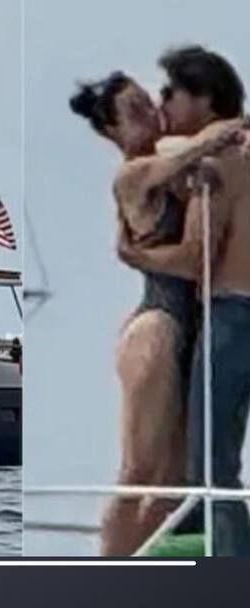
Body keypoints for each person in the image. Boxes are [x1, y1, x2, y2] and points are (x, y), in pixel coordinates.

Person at [70, 70, 246, 555]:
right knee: (139, 470)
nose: (150, 114)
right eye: (135, 111)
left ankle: (141, 563)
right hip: (159, 325)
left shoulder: (179, 172)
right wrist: (233, 125)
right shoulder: (134, 175)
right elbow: (193, 154)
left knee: (174, 478)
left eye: (149, 102)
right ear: (112, 130)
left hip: (196, 324)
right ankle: (107, 569)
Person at [118, 45, 250, 556]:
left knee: (213, 467)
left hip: (233, 314)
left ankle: (226, 570)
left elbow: (199, 258)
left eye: (171, 92)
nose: (163, 102)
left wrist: (136, 255)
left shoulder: (216, 165)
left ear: (205, 98)